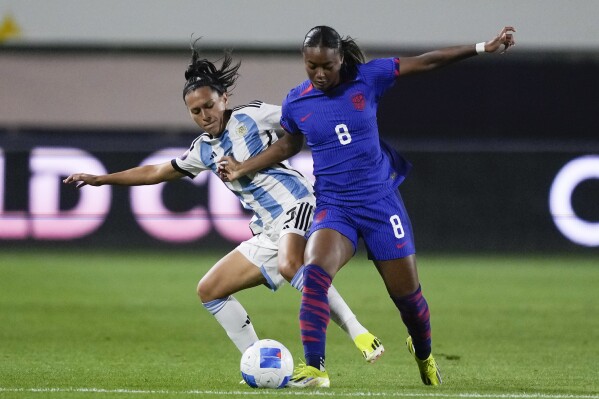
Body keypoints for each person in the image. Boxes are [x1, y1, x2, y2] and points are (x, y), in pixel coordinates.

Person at [218, 26, 516, 387]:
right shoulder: (297, 102)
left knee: (409, 300)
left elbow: (426, 61)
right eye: (312, 66)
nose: (320, 73)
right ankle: (315, 368)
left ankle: (423, 353)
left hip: (380, 205)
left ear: (340, 58)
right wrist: (243, 167)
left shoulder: (368, 78)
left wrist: (484, 47)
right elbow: (288, 145)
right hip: (334, 206)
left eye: (327, 65)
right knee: (313, 275)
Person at [62, 41, 385, 374]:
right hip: (266, 228)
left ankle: (359, 333)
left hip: (297, 204)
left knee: (292, 265)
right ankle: (260, 365)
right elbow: (156, 171)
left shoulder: (253, 115)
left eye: (209, 106)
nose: (204, 116)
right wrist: (102, 179)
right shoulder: (202, 150)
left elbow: (300, 125)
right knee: (210, 290)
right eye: (196, 111)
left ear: (224, 98)